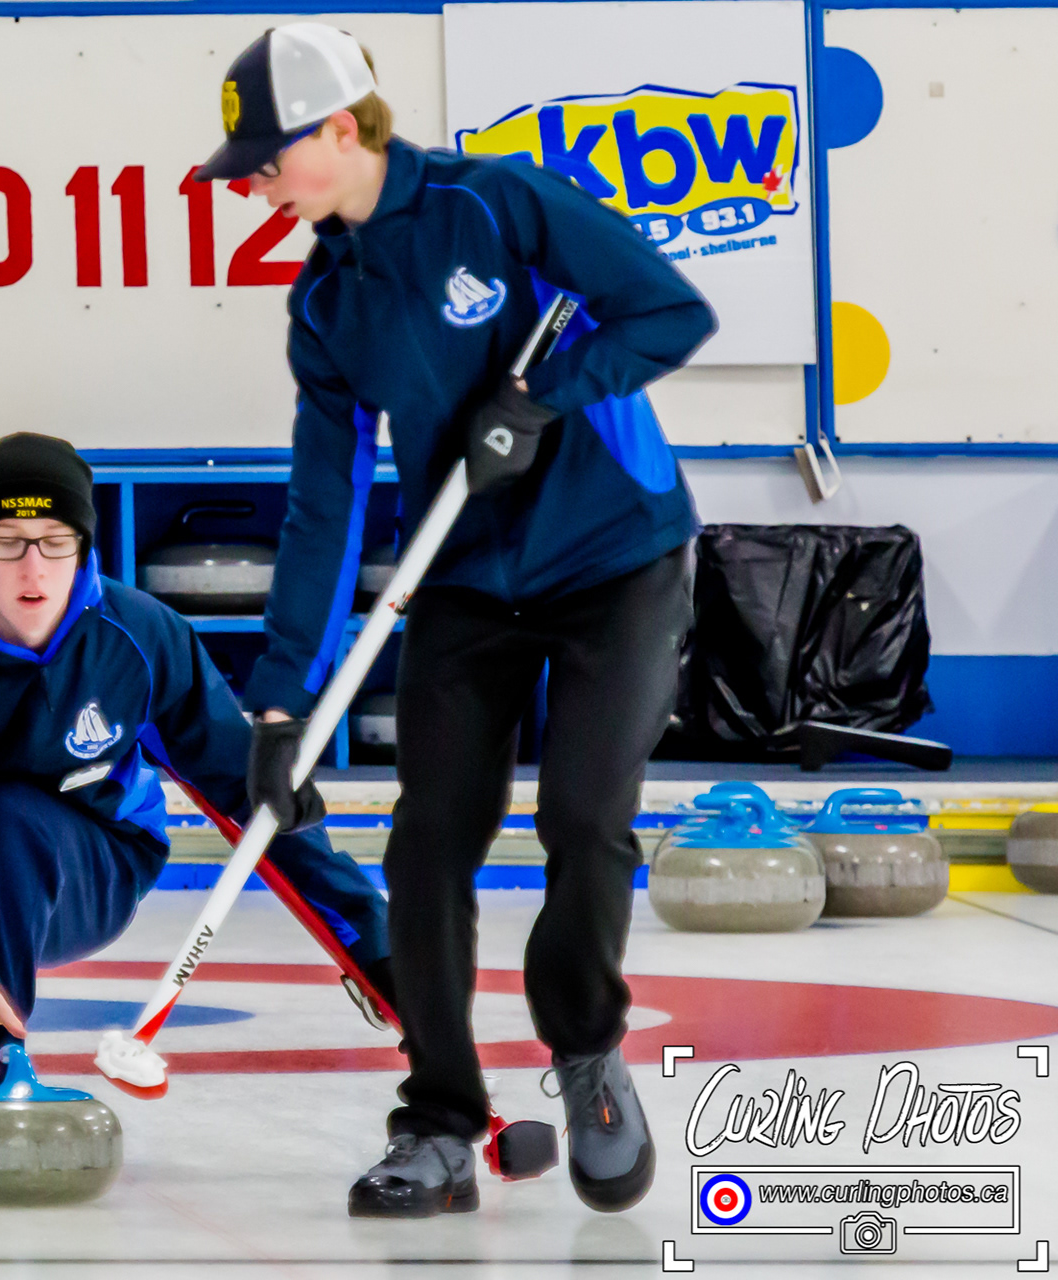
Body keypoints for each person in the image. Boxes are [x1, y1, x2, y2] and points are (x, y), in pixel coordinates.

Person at [197, 25, 715, 1218]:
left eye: (267, 154)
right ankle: (438, 1118)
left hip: (615, 555)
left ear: (340, 128)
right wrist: (282, 705)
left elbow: (667, 314)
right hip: (467, 578)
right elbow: (321, 507)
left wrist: (542, 398)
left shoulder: (500, 204)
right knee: (429, 840)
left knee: (585, 817)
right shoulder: (326, 300)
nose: (253, 179)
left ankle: (585, 1051)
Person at [0, 432, 392, 1145]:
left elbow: (254, 796)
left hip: (98, 867)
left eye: (56, 540)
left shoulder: (139, 634)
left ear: (84, 545)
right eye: (7, 540)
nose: (33, 566)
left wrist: (376, 945)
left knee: (4, 816)